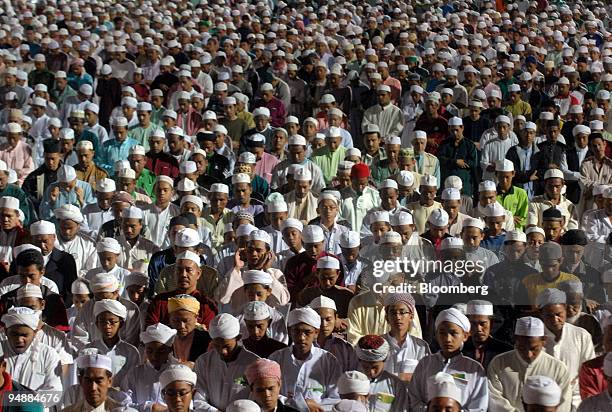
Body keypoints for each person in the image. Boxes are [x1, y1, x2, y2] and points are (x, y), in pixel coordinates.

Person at [408, 308, 488, 411]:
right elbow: (413, 397)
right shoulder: (425, 363)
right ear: (436, 335)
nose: (447, 339)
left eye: (453, 333)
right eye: (442, 333)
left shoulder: (474, 369)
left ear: (465, 336)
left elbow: (479, 406)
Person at [487, 316, 572, 411]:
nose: (528, 354)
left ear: (544, 340)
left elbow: (563, 403)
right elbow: (493, 397)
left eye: (533, 348)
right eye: (522, 348)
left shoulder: (558, 368)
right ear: (515, 339)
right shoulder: (499, 363)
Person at [269, 307, 341, 411]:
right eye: (297, 332)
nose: (301, 337)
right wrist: (299, 404)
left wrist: (314, 407)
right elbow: (268, 393)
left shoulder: (329, 361)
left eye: (307, 332)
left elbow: (335, 398)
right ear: (289, 331)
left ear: (316, 333)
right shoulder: (276, 358)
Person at [193, 313, 259, 411]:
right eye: (217, 346)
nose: (222, 351)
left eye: (227, 346)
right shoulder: (204, 362)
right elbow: (198, 398)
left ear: (238, 338)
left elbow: (257, 397)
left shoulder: (254, 364)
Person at [0, 307, 62, 396]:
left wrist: (22, 402)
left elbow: (54, 392)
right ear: (6, 331)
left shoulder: (48, 354)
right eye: (14, 334)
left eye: (24, 335)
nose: (19, 339)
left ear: (35, 333)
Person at [120, 323, 177, 411]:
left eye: (161, 351)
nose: (154, 356)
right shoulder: (135, 373)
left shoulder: (176, 374)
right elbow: (124, 403)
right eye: (150, 351)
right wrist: (148, 408)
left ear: (169, 350)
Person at [462, 300, 513, 369]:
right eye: (473, 324)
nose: (478, 329)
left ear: (491, 324)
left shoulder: (505, 351)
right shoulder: (460, 349)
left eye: (482, 324)